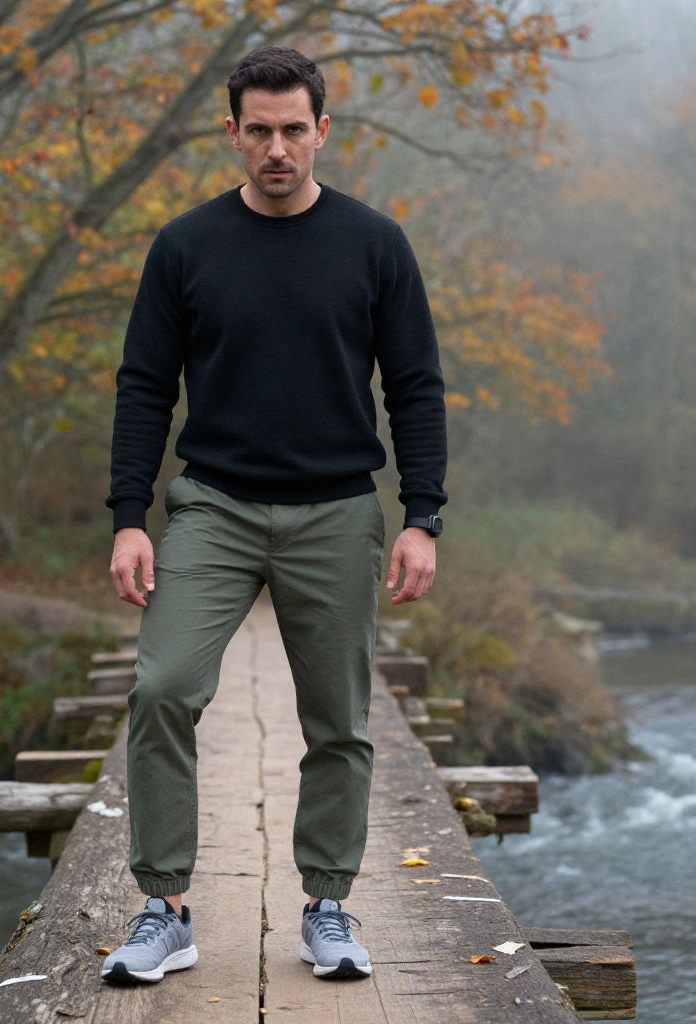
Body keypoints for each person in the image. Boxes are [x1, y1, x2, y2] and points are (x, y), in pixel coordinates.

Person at [101, 45, 447, 985]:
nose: (278, 148)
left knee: (338, 719)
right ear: (233, 134)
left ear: (322, 130)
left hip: (337, 511)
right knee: (165, 687)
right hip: (211, 505)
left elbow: (414, 388)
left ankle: (327, 904)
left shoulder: (374, 244)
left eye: (295, 128)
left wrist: (424, 517)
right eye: (259, 130)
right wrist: (130, 515)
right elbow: (143, 388)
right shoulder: (186, 245)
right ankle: (165, 909)